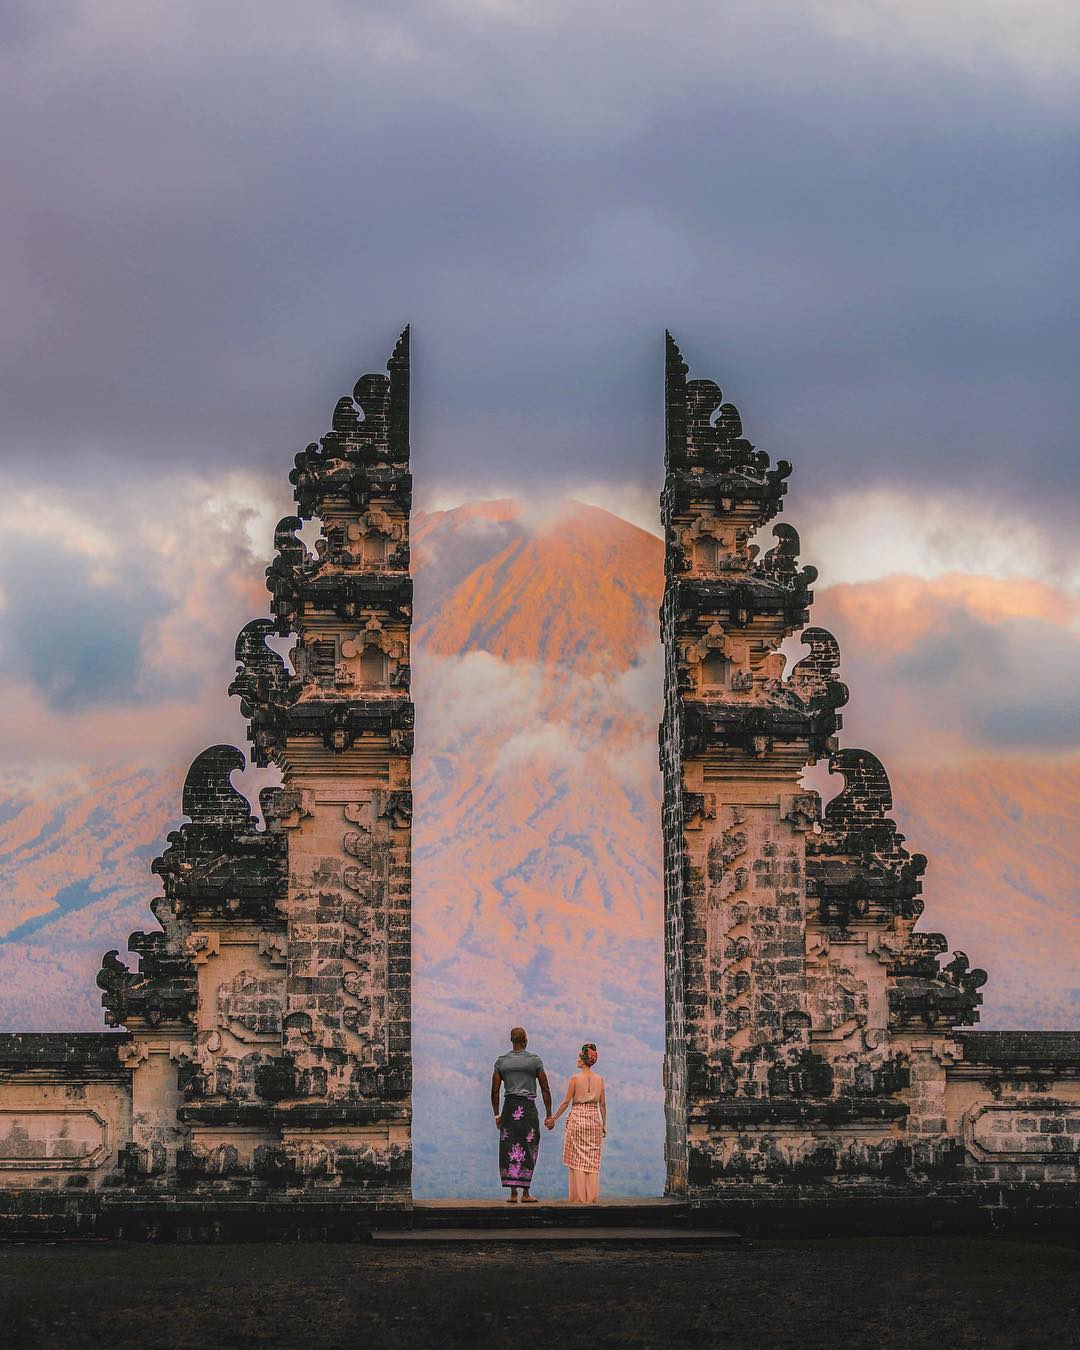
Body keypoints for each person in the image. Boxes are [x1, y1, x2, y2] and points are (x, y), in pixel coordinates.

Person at [491, 1026, 553, 1203]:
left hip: (509, 1108)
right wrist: (549, 1114)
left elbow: (495, 1091)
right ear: (525, 1040)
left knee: (509, 1147)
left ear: (511, 1041)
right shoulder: (534, 1061)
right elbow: (545, 1088)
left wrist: (497, 1115)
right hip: (528, 1109)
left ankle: (512, 1193)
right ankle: (526, 1193)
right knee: (529, 1146)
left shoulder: (501, 1062)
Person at [548, 1042, 606, 1203]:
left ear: (582, 1058)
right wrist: (604, 1124)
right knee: (592, 1159)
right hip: (594, 1120)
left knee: (577, 1159)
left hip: (578, 1118)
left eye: (578, 1056)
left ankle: (579, 1197)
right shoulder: (600, 1080)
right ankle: (591, 1196)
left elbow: (566, 1102)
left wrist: (554, 1118)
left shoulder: (574, 1078)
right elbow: (602, 1104)